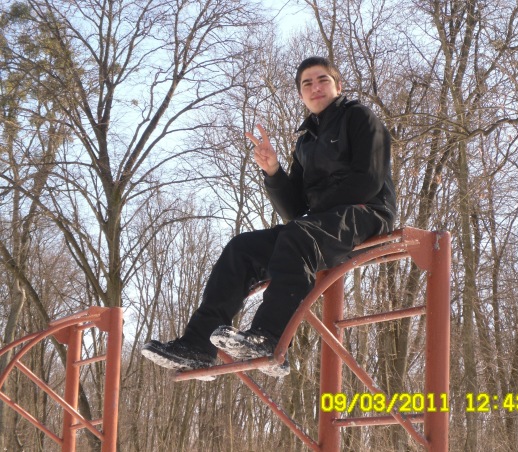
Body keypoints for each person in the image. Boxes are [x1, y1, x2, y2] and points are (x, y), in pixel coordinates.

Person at [142, 56, 396, 379]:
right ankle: (197, 346)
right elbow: (294, 209)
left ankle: (269, 338)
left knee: (298, 234)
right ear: (301, 94)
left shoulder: (359, 117)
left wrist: (316, 214)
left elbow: (368, 180)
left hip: (367, 213)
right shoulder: (305, 142)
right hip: (318, 226)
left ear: (338, 86)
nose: (315, 87)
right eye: (307, 83)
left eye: (322, 80)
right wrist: (274, 172)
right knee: (242, 249)